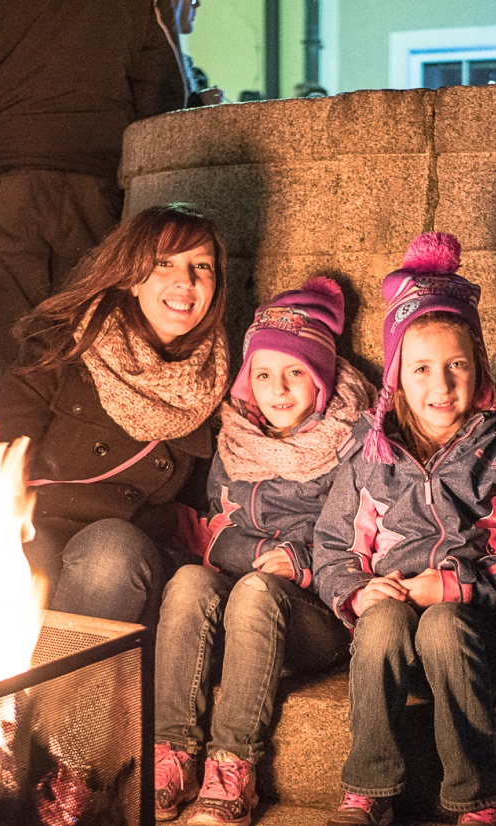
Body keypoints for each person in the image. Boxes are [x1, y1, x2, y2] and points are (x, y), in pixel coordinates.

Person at [313, 232, 496, 826]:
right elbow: (331, 549)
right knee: (380, 619)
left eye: (457, 367)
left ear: (479, 369)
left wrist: (452, 587)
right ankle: (369, 788)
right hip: (392, 644)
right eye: (421, 369)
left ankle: (481, 796)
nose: (441, 386)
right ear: (396, 378)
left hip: (483, 643)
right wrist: (357, 589)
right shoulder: (371, 455)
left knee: (445, 624)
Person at [153, 278, 375, 826]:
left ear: (321, 378)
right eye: (264, 375)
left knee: (255, 593)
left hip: (313, 614)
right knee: (187, 584)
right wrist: (251, 553)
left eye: (295, 372)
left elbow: (359, 539)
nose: (278, 388)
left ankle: (232, 766)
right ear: (247, 382)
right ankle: (172, 752)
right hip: (243, 586)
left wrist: (298, 563)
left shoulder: (352, 441)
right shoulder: (233, 439)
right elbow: (213, 531)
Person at [0, 0, 190, 405]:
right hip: (95, 176)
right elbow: (162, 84)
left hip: (2, 176)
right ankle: (74, 456)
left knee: (16, 338)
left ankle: (22, 453)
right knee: (92, 336)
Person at [0, 204, 229, 623]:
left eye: (201, 265)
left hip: (132, 550)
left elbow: (209, 498)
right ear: (132, 278)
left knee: (110, 551)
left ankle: (71, 692)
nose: (185, 281)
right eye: (164, 263)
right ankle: (20, 690)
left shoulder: (220, 376)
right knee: (28, 557)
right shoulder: (66, 345)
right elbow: (1, 445)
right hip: (38, 519)